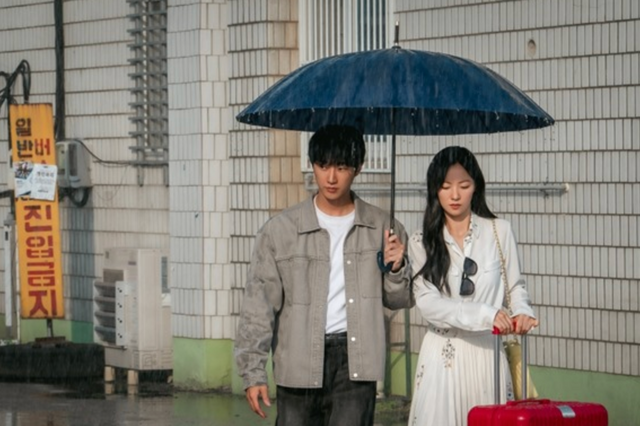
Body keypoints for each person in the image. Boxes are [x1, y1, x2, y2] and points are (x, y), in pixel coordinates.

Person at [235, 124, 414, 426]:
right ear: (312, 164)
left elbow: (399, 300)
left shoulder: (383, 227)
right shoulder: (280, 230)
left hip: (356, 361)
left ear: (358, 167)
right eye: (323, 166)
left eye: (341, 167)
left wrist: (396, 268)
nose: (331, 177)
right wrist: (253, 372)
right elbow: (259, 305)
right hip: (298, 355)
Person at [407, 146, 539, 426]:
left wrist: (522, 312)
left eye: (464, 186)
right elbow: (429, 304)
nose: (455, 195)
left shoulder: (499, 231)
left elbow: (515, 286)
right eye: (445, 187)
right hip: (442, 359)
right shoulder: (421, 241)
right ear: (434, 190)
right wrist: (485, 313)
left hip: (487, 355)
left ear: (476, 186)